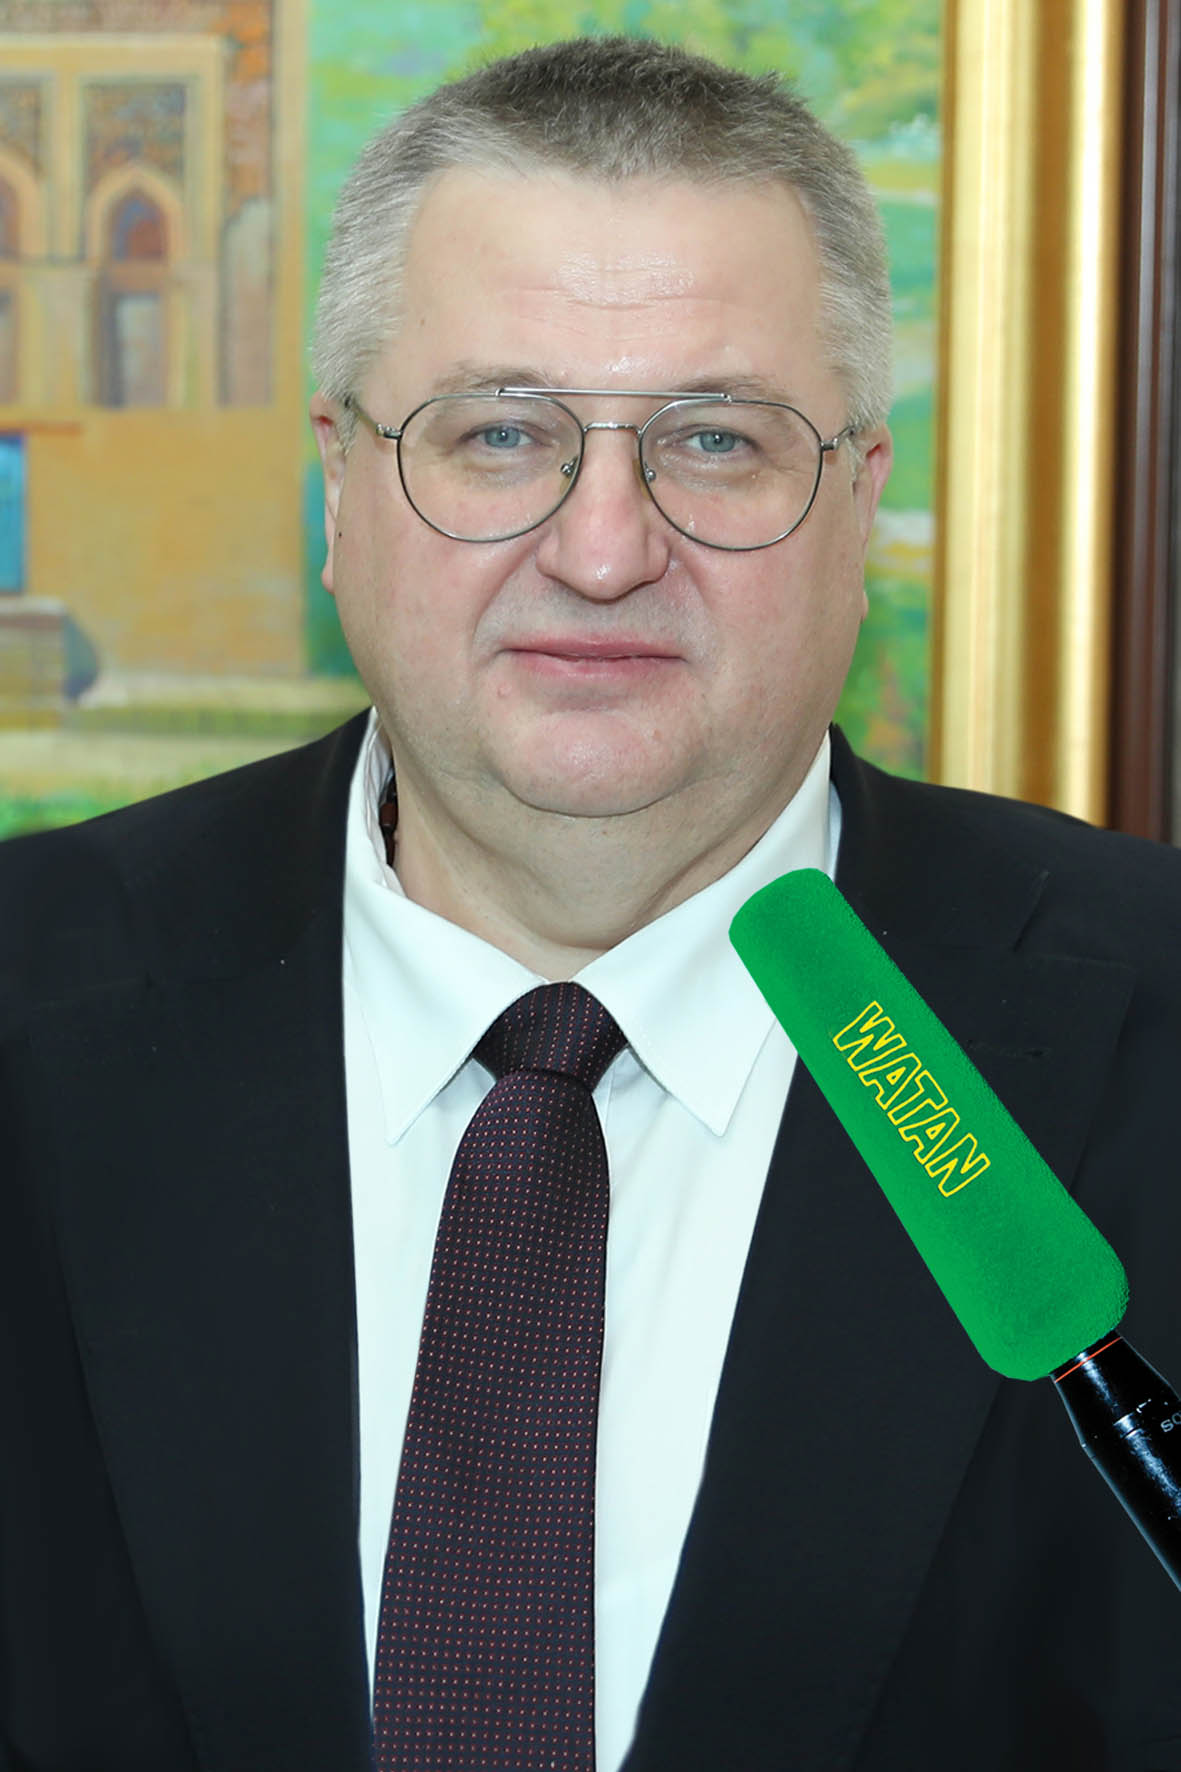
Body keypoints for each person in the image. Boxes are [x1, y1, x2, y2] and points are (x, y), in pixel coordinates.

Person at [2, 34, 1181, 1772]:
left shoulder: (1148, 1023)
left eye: (714, 439)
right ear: (338, 487)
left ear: (858, 504)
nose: (605, 549)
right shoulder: (29, 1007)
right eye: (499, 434)